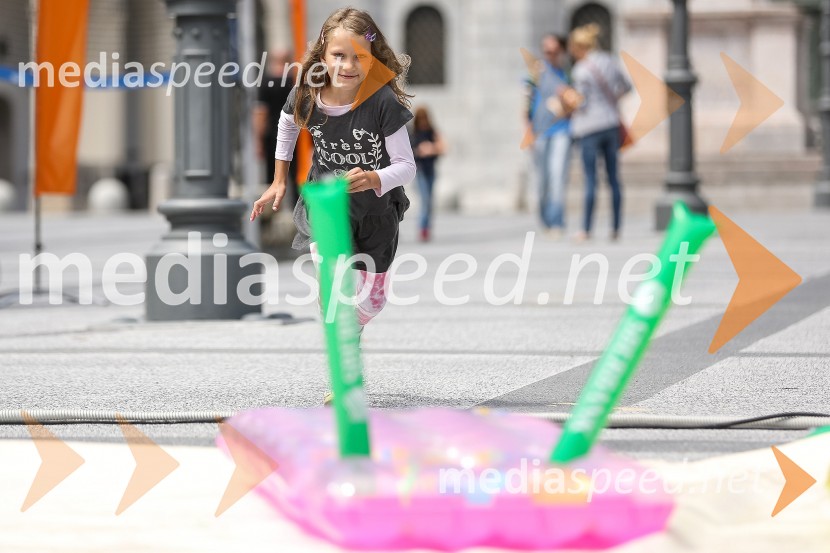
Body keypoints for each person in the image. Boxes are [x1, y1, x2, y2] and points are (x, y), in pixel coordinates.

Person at [249, 7, 416, 403]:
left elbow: (406, 166)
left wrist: (375, 177)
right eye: (339, 55)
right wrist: (278, 179)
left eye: (359, 55)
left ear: (372, 58)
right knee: (332, 291)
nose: (348, 65)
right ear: (323, 53)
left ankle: (353, 329)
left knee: (373, 300)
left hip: (376, 212)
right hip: (325, 205)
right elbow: (287, 124)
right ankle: (344, 372)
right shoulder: (306, 92)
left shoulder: (381, 103)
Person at [568, 23, 631, 241]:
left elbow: (581, 103)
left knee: (591, 179)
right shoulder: (610, 61)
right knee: (614, 178)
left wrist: (567, 103)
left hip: (588, 127)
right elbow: (626, 87)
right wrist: (610, 102)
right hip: (611, 124)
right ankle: (616, 227)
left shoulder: (581, 69)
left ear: (578, 46)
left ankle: (586, 228)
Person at [527, 34, 573, 239]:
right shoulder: (537, 73)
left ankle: (557, 221)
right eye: (546, 51)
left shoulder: (569, 73)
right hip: (541, 132)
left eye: (553, 51)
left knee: (557, 177)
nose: (549, 55)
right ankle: (545, 218)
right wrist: (526, 130)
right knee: (543, 180)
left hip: (562, 130)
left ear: (561, 52)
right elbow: (526, 104)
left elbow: (579, 101)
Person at [254, 48, 299, 207]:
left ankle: (272, 209)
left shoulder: (266, 82)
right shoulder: (294, 81)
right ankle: (296, 208)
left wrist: (258, 140)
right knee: (295, 174)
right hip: (296, 134)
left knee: (272, 175)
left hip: (272, 135)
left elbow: (261, 113)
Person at [409, 106, 445, 242]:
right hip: (420, 171)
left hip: (431, 170)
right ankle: (423, 228)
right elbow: (406, 152)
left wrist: (431, 149)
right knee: (424, 199)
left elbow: (443, 146)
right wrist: (419, 151)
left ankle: (427, 227)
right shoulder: (413, 133)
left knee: (429, 200)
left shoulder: (432, 131)